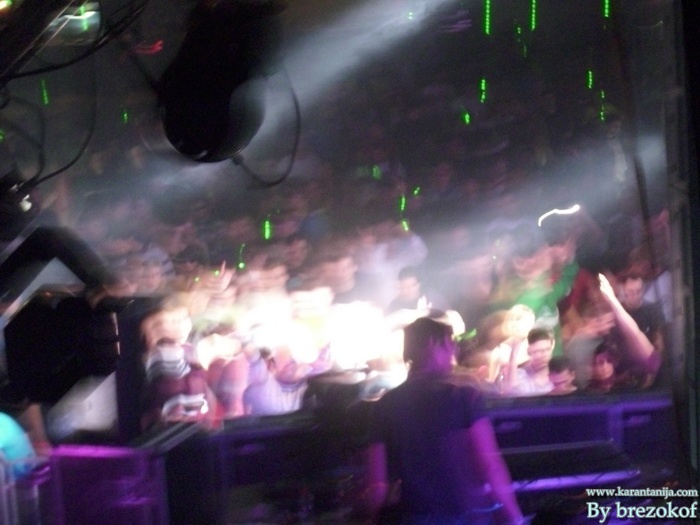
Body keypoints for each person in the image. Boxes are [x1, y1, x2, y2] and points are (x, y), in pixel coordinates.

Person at [364, 317, 524, 524]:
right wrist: (515, 518)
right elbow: (490, 465)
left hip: (412, 516)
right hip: (463, 516)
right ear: (432, 344)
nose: (453, 354)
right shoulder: (463, 397)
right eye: (449, 346)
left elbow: (377, 486)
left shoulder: (384, 405)